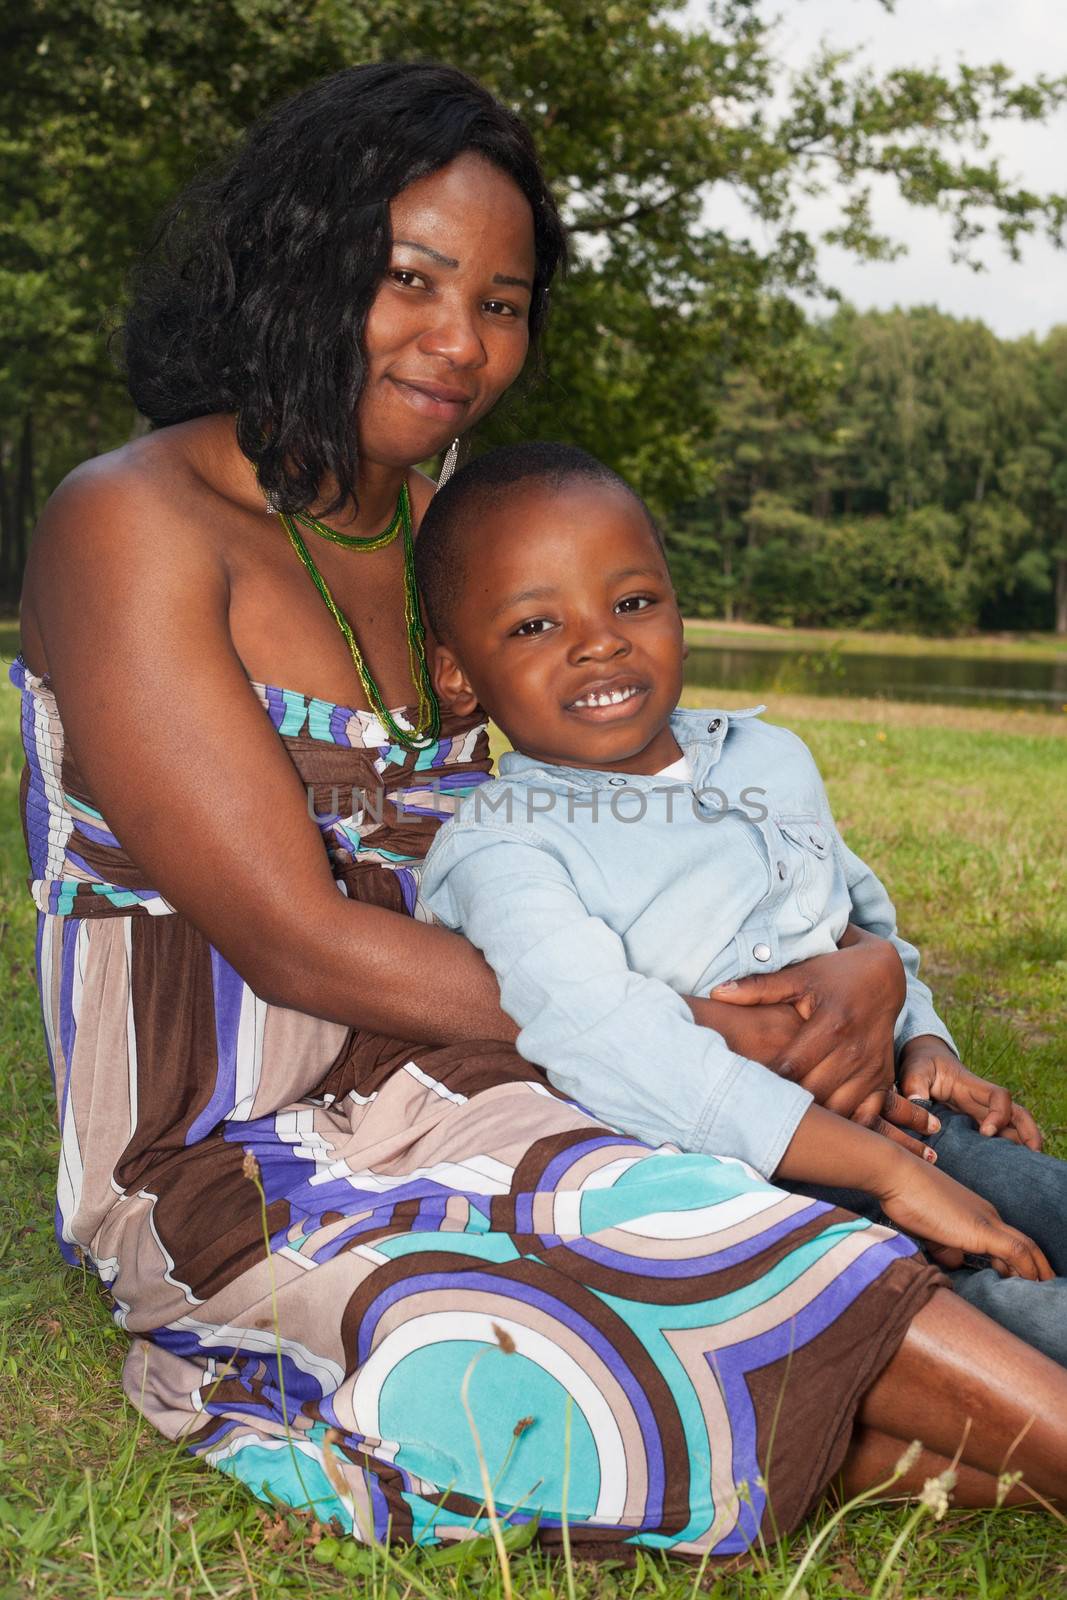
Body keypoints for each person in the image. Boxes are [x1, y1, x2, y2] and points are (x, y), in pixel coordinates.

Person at [12, 62, 1067, 1564]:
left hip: (519, 1075)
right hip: (250, 1158)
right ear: (299, 255)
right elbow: (297, 942)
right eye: (411, 279)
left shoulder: (471, 545)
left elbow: (666, 814)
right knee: (708, 1249)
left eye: (500, 302)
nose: (459, 341)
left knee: (828, 1186)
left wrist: (858, 973)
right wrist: (689, 1029)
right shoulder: (131, 522)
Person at [415, 441, 1067, 1365]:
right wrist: (880, 1176)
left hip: (902, 1125)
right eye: (532, 626)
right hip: (739, 1183)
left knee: (1036, 1199)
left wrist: (924, 1046)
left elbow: (853, 923)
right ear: (457, 676)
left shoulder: (770, 760)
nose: (599, 640)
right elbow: (605, 1038)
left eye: (632, 602)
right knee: (994, 1317)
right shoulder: (503, 844)